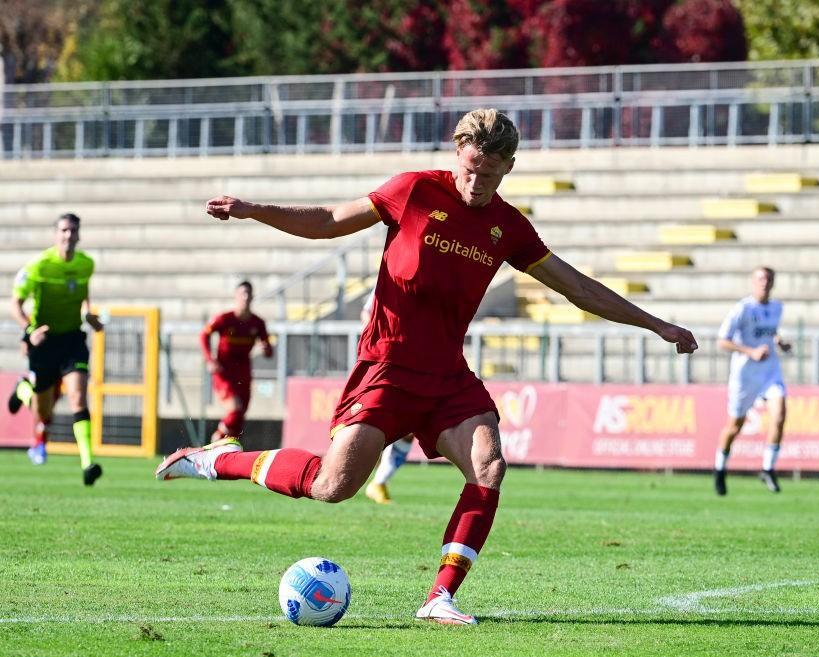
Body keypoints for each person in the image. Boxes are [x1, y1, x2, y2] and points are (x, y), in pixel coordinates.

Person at [156, 109, 698, 626]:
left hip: (446, 375)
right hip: (386, 365)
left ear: (508, 168)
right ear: (456, 152)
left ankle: (440, 595)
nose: (477, 183)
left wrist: (657, 325)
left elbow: (577, 288)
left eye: (490, 173)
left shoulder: (507, 227)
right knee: (332, 486)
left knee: (488, 464)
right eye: (470, 169)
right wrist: (254, 209)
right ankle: (218, 460)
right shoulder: (413, 190)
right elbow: (327, 221)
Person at [8, 213, 104, 486]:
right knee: (42, 411)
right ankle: (23, 389)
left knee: (77, 398)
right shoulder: (39, 266)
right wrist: (29, 331)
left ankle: (88, 463)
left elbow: (84, 298)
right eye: (64, 230)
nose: (68, 236)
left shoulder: (86, 264)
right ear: (56, 235)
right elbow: (15, 303)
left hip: (73, 340)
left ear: (79, 234)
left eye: (73, 231)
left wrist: (90, 316)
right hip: (45, 341)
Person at [713, 266, 790, 496]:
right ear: (753, 282)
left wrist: (780, 343)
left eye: (768, 278)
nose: (764, 282)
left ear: (773, 282)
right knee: (734, 426)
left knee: (779, 415)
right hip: (745, 375)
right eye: (760, 278)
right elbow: (722, 341)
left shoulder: (777, 308)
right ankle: (719, 469)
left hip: (769, 371)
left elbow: (770, 332)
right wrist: (750, 351)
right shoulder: (742, 308)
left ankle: (768, 468)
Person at [358, 288, 415, 505]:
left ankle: (379, 482)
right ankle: (357, 473)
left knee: (410, 430)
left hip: (414, 363)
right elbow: (366, 314)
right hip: (387, 363)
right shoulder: (390, 278)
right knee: (378, 422)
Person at [200, 281, 273, 442]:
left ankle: (228, 453)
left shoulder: (258, 323)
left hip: (244, 371)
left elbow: (268, 350)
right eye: (242, 293)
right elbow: (204, 335)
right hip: (224, 372)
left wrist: (266, 348)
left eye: (248, 294)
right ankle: (217, 436)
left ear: (252, 296)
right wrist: (210, 359)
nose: (246, 297)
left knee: (240, 417)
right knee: (235, 409)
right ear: (236, 296)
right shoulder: (225, 319)